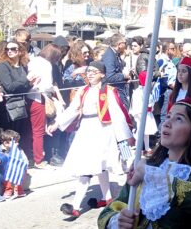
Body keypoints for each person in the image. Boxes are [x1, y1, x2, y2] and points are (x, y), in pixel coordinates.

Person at [98, 98, 191, 229]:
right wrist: (118, 220)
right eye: (168, 116)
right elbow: (110, 210)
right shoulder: (148, 166)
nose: (167, 123)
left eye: (179, 119)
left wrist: (149, 173)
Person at [47, 61, 133, 219]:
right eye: (89, 71)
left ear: (102, 74)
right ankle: (108, 198)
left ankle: (75, 205)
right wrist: (57, 123)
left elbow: (117, 115)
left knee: (88, 167)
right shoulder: (83, 90)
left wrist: (126, 136)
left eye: (94, 71)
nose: (91, 73)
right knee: (98, 166)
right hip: (86, 129)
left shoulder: (108, 91)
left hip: (102, 130)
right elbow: (73, 109)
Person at [102, 33, 130, 109]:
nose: (126, 45)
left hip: (119, 90)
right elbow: (110, 76)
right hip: (114, 93)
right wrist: (124, 75)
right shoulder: (110, 56)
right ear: (119, 44)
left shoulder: (114, 53)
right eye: (125, 43)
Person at [0, 129, 27, 199]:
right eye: (15, 142)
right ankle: (8, 189)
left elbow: (24, 158)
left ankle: (19, 189)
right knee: (6, 171)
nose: (17, 144)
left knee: (23, 169)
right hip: (6, 168)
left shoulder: (18, 149)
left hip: (16, 167)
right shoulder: (0, 150)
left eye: (17, 142)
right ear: (5, 143)